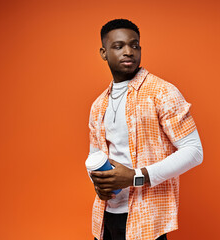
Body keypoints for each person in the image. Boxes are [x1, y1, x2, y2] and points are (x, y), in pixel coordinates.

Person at [87, 19, 203, 240]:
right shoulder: (98, 104)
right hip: (105, 217)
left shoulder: (162, 92)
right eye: (119, 46)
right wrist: (99, 184)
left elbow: (194, 151)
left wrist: (135, 177)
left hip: (146, 218)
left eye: (134, 45)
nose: (129, 51)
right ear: (104, 52)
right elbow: (95, 155)